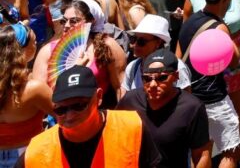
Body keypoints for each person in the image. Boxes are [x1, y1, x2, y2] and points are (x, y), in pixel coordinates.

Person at [21, 65, 162, 167]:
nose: (69, 115)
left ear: (99, 97)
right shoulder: (36, 151)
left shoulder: (132, 128)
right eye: (61, 109)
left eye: (79, 105)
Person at [176, 0, 240, 166]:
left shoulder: (189, 22)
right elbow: (235, 61)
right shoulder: (219, 28)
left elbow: (179, 58)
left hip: (191, 97)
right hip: (214, 97)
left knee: (203, 151)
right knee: (230, 151)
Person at [116, 49, 212, 168]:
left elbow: (202, 155)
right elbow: (115, 137)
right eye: (147, 79)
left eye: (162, 78)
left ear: (176, 76)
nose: (153, 85)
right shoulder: (130, 101)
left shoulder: (192, 107)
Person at [0, 26, 51, 168]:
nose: (37, 45)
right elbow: (65, 115)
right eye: (34, 42)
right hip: (29, 155)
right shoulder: (33, 89)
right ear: (23, 50)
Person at [121, 15, 192, 93]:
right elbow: (125, 100)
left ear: (158, 42)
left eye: (142, 41)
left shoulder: (177, 67)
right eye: (133, 39)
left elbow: (186, 101)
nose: (135, 45)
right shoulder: (132, 67)